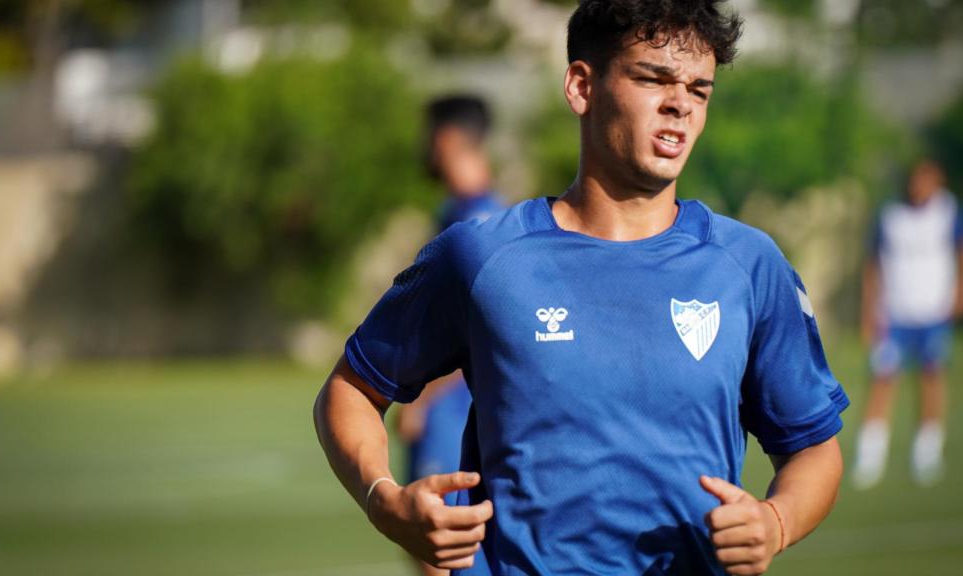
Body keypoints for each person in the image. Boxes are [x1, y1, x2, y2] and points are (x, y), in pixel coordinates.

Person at [314, 2, 848, 574]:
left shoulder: (747, 264)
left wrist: (775, 521)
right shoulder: (481, 256)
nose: (680, 105)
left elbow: (814, 448)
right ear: (580, 86)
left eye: (699, 89)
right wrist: (384, 501)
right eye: (653, 78)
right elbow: (349, 391)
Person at [396, 95, 504, 576]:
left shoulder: (480, 223)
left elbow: (480, 330)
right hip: (443, 413)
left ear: (448, 139)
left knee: (440, 551)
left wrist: (420, 401)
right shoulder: (454, 211)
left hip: (455, 417)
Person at [852, 158, 963, 489]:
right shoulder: (890, 214)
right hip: (893, 314)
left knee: (932, 378)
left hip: (932, 314)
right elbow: (873, 264)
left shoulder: (949, 211)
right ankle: (870, 456)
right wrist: (869, 310)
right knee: (882, 380)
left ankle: (927, 453)